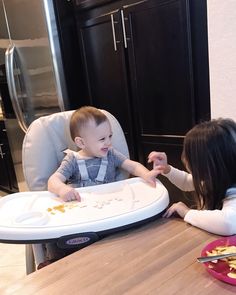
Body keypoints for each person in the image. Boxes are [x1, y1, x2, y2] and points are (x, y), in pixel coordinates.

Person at [48, 106, 159, 201]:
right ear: (81, 142)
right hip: (82, 206)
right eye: (102, 139)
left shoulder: (111, 154)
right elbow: (53, 181)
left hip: (111, 201)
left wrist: (146, 174)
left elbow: (133, 166)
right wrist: (62, 189)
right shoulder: (72, 160)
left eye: (110, 136)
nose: (108, 142)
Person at [148, 118, 236, 236]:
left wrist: (186, 212)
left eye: (189, 154)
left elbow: (228, 223)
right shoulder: (213, 179)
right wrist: (166, 168)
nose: (184, 159)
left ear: (207, 163)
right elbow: (186, 182)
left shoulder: (232, 192)